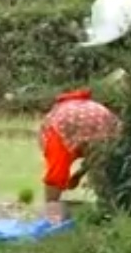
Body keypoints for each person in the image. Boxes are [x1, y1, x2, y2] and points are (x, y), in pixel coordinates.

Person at [40, 88, 121, 223]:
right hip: (104, 119)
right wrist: (78, 174)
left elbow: (56, 167)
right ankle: (112, 208)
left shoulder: (51, 124)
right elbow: (93, 155)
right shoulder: (93, 106)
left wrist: (56, 188)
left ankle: (51, 213)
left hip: (66, 122)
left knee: (56, 171)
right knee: (102, 168)